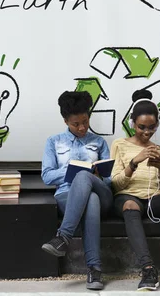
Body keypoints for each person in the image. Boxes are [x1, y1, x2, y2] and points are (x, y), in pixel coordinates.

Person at [110, 89, 160, 290]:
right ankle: (147, 268)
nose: (147, 132)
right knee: (130, 204)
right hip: (128, 198)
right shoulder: (119, 145)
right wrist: (134, 162)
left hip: (154, 200)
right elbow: (115, 184)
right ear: (132, 124)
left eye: (152, 127)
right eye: (141, 127)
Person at [41, 91, 113, 291]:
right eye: (75, 124)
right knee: (90, 199)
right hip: (67, 195)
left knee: (86, 181)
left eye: (85, 121)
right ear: (65, 121)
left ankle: (63, 237)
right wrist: (73, 168)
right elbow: (47, 176)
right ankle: (94, 269)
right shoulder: (53, 142)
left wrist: (93, 174)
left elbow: (109, 181)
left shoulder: (99, 142)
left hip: (102, 193)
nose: (82, 127)